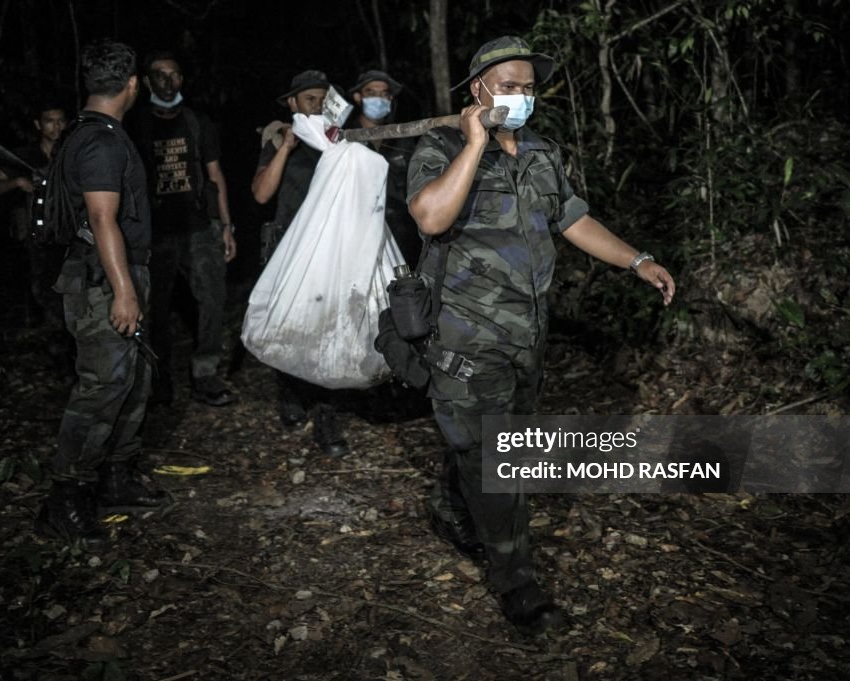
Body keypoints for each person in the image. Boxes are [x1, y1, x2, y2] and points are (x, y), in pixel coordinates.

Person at [407, 36, 676, 635]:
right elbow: (430, 216)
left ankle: (452, 508)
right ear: (477, 90)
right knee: (497, 459)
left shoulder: (541, 152)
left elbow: (573, 219)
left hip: (527, 336)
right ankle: (517, 585)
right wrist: (474, 144)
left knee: (486, 449)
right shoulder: (441, 146)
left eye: (529, 87)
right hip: (466, 341)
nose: (522, 96)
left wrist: (637, 261)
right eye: (508, 86)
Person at [37, 39, 167, 550]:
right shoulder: (100, 142)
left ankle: (116, 477)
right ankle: (64, 501)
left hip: (114, 273)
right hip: (102, 279)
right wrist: (123, 292)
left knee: (132, 379)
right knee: (102, 386)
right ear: (132, 85)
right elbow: (100, 218)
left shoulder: (91, 132)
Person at [130, 51, 238, 408]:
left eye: (174, 74)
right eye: (159, 74)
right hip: (154, 233)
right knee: (154, 308)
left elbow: (215, 175)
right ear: (147, 82)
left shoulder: (196, 122)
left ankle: (205, 374)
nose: (167, 80)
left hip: (199, 229)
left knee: (211, 300)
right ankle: (158, 382)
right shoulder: (134, 124)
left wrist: (225, 226)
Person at [251, 70, 349, 456]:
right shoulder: (278, 139)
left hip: (330, 250)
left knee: (328, 331)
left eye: (324, 98)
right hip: (288, 249)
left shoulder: (339, 140)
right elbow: (261, 194)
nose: (318, 105)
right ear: (293, 104)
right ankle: (290, 392)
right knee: (291, 328)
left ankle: (327, 417)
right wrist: (286, 148)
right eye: (310, 99)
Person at [0, 103, 69, 335]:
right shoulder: (25, 155)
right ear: (38, 125)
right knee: (43, 287)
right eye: (49, 121)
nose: (56, 126)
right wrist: (18, 183)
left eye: (60, 120)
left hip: (72, 234)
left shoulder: (73, 152)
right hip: (39, 234)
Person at [346, 70, 420, 265]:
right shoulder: (346, 138)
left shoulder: (403, 138)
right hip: (356, 235)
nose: (379, 99)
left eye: (384, 93)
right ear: (358, 97)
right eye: (371, 92)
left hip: (401, 236)